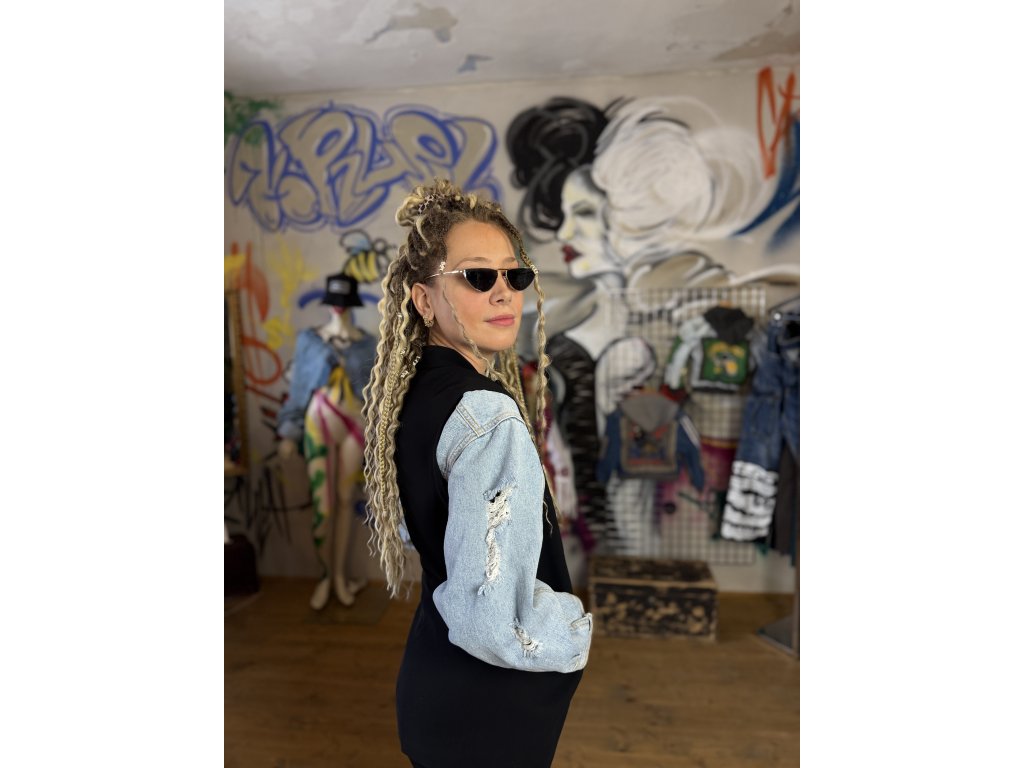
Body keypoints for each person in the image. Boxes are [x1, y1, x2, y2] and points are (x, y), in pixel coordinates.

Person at [361, 178, 592, 768]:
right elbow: (493, 620)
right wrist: (575, 627)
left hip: (434, 686)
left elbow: (427, 538)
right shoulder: (487, 416)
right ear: (424, 300)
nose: (503, 292)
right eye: (477, 276)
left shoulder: (410, 396)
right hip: (488, 715)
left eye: (514, 275)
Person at [277, 271, 376, 609]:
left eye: (343, 302)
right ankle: (324, 576)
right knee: (322, 506)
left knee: (346, 501)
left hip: (354, 427)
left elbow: (373, 396)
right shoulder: (310, 340)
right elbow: (299, 389)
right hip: (317, 425)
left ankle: (339, 577)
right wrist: (289, 432)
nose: (338, 308)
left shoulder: (367, 344)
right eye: (334, 301)